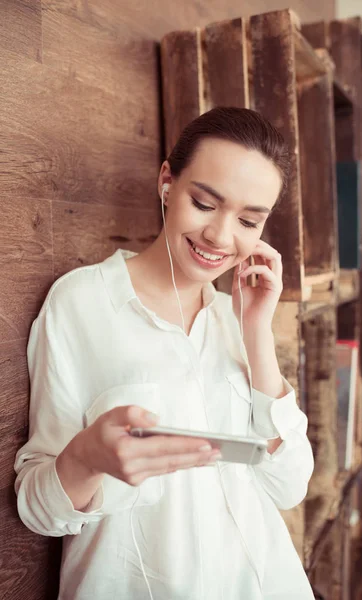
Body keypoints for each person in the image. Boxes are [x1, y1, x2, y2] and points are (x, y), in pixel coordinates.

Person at [15, 107, 315, 600]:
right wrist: (87, 456)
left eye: (247, 220)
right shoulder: (82, 303)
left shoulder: (235, 318)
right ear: (167, 182)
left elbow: (289, 486)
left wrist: (257, 333)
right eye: (203, 202)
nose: (220, 236)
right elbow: (37, 509)